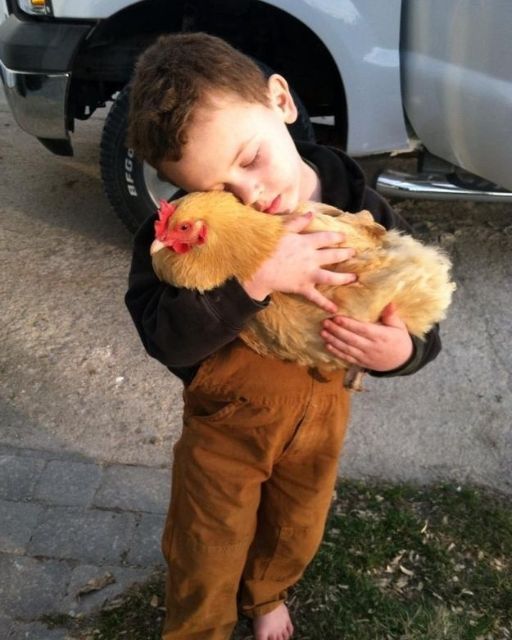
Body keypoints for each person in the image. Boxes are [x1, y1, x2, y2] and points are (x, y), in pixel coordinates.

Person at [125, 32, 441, 640]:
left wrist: (402, 352)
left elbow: (421, 301)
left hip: (323, 411)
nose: (254, 196)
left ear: (282, 101)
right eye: (215, 190)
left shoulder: (361, 205)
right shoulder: (183, 237)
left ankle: (267, 593)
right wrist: (252, 284)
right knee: (207, 538)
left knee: (296, 522)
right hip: (228, 422)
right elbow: (162, 336)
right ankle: (199, 626)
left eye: (249, 161)